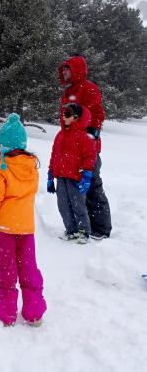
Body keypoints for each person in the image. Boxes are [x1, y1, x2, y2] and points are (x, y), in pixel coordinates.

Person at [0, 113, 47, 327]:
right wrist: (1, 163)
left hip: (5, 229)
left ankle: (5, 313)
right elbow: (20, 186)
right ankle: (34, 313)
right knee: (28, 269)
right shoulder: (31, 167)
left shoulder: (1, 168)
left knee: (6, 270)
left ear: (4, 145)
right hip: (26, 228)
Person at [59, 55, 112, 239]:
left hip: (87, 149)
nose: (64, 72)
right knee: (79, 189)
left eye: (68, 68)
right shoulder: (68, 92)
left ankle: (102, 229)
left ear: (77, 70)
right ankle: (86, 225)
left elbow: (97, 115)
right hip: (72, 150)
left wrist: (89, 138)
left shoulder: (89, 88)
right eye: (64, 69)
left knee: (93, 186)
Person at [47, 103, 97, 244]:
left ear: (76, 118)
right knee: (63, 205)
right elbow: (54, 155)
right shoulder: (60, 135)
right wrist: (50, 175)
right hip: (61, 177)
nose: (64, 117)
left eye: (67, 114)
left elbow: (90, 156)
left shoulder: (83, 136)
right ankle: (71, 231)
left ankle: (83, 232)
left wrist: (87, 175)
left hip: (76, 178)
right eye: (64, 114)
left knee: (78, 206)